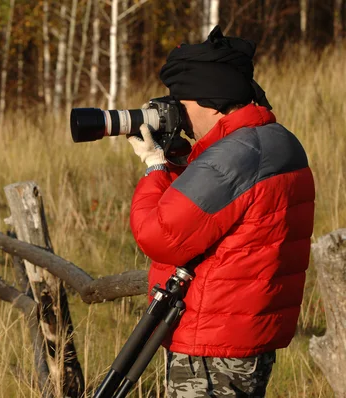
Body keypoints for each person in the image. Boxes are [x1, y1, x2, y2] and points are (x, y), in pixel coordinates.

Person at [127, 26, 315, 397]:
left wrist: (153, 166)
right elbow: (216, 215)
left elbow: (159, 234)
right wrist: (179, 159)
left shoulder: (231, 158)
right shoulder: (275, 141)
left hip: (211, 345)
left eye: (182, 99)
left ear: (211, 99)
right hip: (246, 335)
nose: (176, 109)